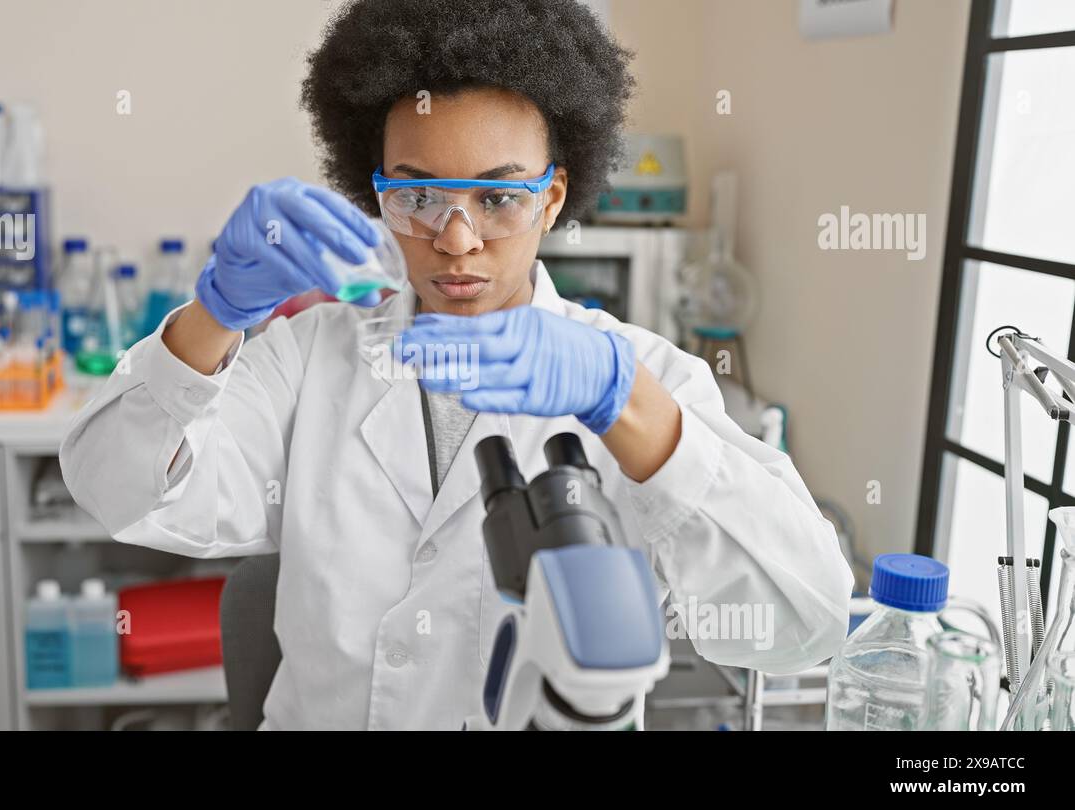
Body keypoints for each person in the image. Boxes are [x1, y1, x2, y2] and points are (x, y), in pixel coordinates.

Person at [61, 0, 854, 730]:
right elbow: (118, 489)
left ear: (554, 196)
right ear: (376, 195)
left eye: (500, 198)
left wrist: (628, 409)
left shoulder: (644, 379)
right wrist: (215, 314)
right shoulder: (310, 357)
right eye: (418, 196)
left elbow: (806, 622)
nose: (456, 239)